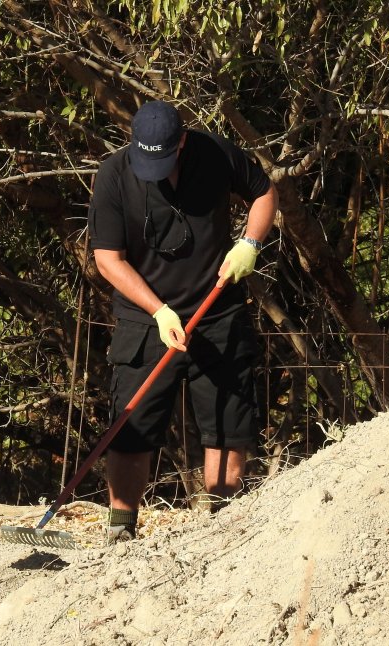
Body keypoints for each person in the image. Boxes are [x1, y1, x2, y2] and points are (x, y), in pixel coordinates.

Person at [87, 100, 278, 541]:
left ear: (182, 143)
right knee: (132, 426)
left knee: (227, 426)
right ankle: (120, 529)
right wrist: (158, 310)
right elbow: (108, 260)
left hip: (217, 309)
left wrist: (249, 242)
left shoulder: (215, 153)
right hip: (146, 317)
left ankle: (223, 528)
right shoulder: (114, 175)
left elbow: (264, 192)